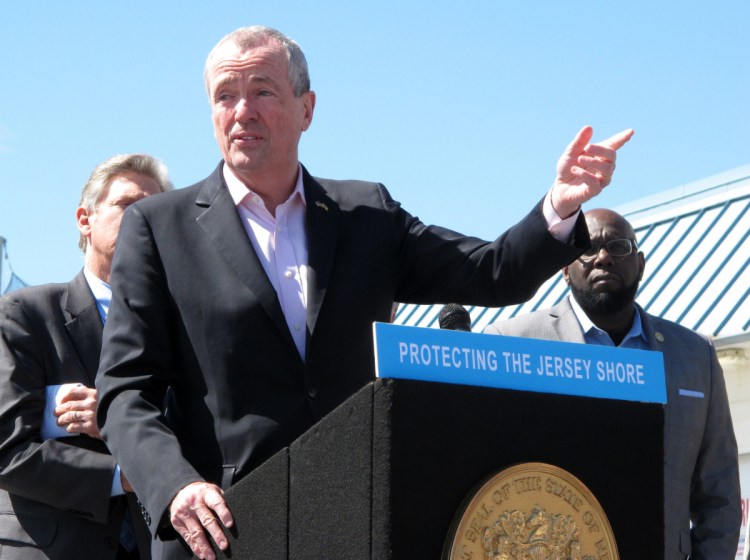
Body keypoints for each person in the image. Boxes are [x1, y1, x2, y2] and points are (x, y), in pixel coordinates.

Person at [94, 25, 634, 560]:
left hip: (355, 519)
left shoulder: (366, 214)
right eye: (224, 96)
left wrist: (559, 207)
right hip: (223, 530)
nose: (242, 111)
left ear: (307, 109)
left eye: (261, 91)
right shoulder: (158, 228)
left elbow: (489, 272)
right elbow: (125, 391)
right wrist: (176, 485)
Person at [484, 208, 741, 559]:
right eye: (587, 248)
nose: (603, 257)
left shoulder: (695, 356)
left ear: (641, 264)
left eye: (619, 247)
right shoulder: (513, 342)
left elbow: (720, 491)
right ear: (564, 267)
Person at [0, 154, 171, 559]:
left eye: (154, 210)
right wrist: (129, 474)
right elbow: (8, 450)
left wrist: (114, 420)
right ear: (85, 219)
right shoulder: (24, 314)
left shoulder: (183, 327)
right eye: (128, 205)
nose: (143, 219)